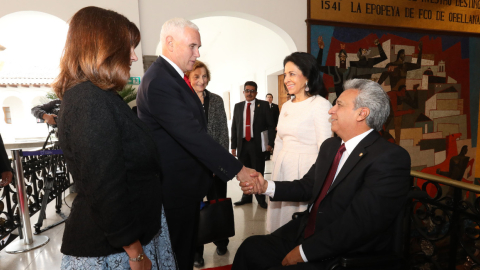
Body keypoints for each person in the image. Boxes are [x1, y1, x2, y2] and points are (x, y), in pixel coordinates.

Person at [234, 79, 411, 269]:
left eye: (339, 105)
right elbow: (308, 186)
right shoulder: (331, 146)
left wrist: (304, 252)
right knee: (250, 248)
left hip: (341, 253)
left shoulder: (390, 158)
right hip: (306, 230)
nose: (331, 110)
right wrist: (265, 186)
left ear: (362, 113)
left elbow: (358, 225)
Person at [53, 7, 176, 270]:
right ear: (104, 47)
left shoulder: (98, 96)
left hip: (127, 241)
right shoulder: (89, 100)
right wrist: (135, 253)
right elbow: (105, 187)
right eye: (128, 47)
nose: (133, 56)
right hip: (113, 250)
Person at [136, 18, 256, 269]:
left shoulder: (173, 77)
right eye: (192, 46)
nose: (197, 53)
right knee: (179, 254)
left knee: (186, 250)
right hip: (174, 189)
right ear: (169, 43)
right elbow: (192, 134)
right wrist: (238, 169)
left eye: (198, 47)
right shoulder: (160, 80)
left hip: (185, 187)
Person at [266, 52, 332, 233]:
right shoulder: (287, 105)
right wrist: (275, 171)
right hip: (283, 168)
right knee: (280, 221)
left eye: (292, 74)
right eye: (285, 74)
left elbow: (325, 148)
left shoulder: (320, 104)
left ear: (308, 76)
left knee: (297, 224)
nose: (286, 79)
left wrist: (319, 181)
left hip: (305, 170)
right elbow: (279, 141)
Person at [185, 60, 230, 267]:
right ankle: (197, 251)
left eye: (204, 76)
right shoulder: (183, 101)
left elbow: (222, 134)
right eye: (196, 76)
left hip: (215, 165)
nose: (201, 80)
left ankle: (221, 240)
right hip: (193, 166)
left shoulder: (217, 101)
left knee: (217, 202)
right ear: (189, 78)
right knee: (196, 208)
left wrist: (217, 163)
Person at [231, 81, 275, 209]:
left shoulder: (264, 105)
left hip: (257, 144)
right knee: (244, 171)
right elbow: (235, 127)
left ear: (256, 92)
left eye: (252, 91)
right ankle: (246, 197)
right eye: (247, 90)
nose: (249, 93)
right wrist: (233, 146)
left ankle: (260, 197)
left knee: (258, 170)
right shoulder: (238, 106)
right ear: (243, 92)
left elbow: (271, 126)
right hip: (242, 144)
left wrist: (270, 143)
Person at [265, 93, 279, 161]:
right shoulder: (263, 106)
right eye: (268, 97)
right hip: (265, 128)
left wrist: (277, 126)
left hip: (273, 127)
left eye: (270, 97)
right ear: (266, 98)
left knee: (273, 141)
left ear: (272, 99)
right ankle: (266, 156)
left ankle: (274, 154)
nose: (269, 98)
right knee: (266, 141)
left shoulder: (275, 106)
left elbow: (277, 117)